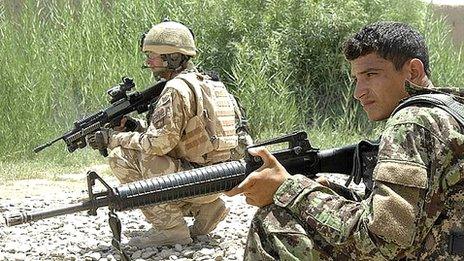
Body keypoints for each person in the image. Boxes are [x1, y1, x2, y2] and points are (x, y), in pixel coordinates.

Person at [226, 21, 464, 260]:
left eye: (371, 75)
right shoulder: (453, 112)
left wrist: (289, 189)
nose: (358, 92)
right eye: (356, 79)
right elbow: (424, 212)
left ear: (413, 71)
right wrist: (327, 194)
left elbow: (382, 241)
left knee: (273, 222)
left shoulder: (411, 122)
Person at [87, 20, 252, 248]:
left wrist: (113, 138)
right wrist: (135, 128)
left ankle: (171, 229)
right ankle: (208, 208)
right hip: (222, 178)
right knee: (144, 151)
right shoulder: (213, 84)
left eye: (152, 55)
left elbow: (157, 145)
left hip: (194, 181)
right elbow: (188, 137)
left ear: (173, 58)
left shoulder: (175, 89)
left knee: (121, 157)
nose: (148, 62)